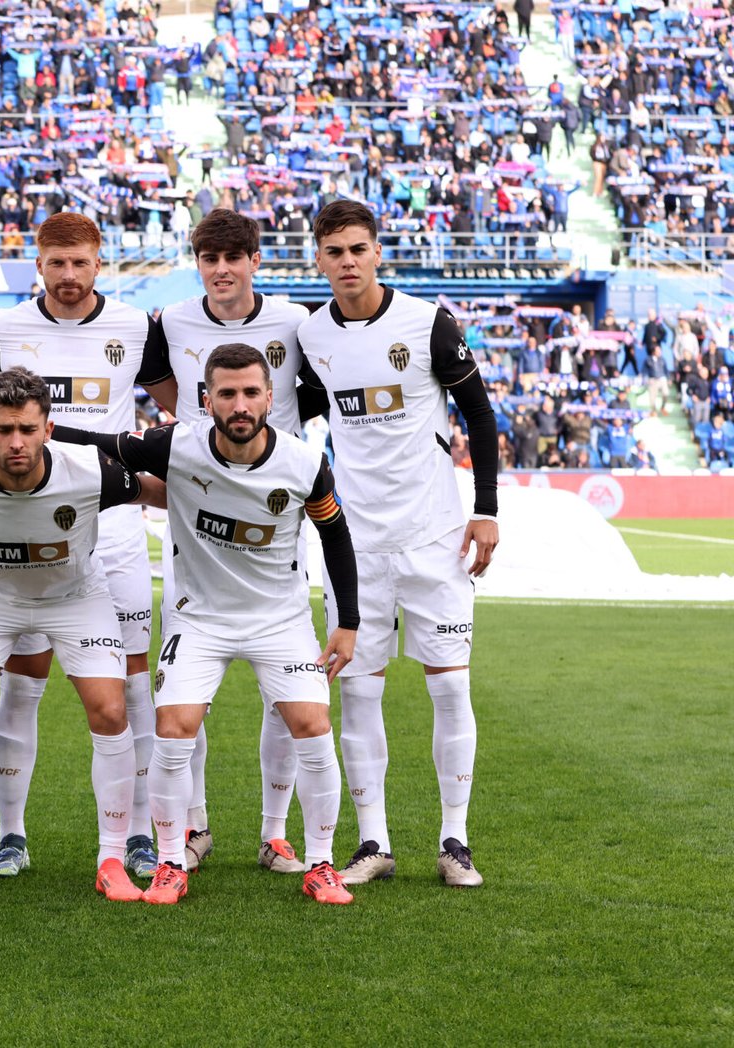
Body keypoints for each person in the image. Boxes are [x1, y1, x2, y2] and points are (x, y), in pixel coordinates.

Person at [49, 343, 361, 905]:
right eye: (226, 394)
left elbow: (335, 536)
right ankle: (171, 862)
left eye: (249, 393)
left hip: (279, 621)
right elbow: (99, 445)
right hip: (198, 620)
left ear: (269, 397)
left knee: (313, 725)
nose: (239, 405)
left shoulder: (305, 462)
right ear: (206, 400)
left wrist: (348, 622)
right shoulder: (176, 446)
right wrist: (27, 433)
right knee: (174, 731)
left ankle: (321, 863)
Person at [297, 199, 499, 888]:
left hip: (435, 537)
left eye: (358, 249)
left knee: (449, 690)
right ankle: (373, 843)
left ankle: (456, 841)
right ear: (318, 258)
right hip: (356, 546)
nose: (347, 262)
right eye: (334, 252)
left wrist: (487, 511)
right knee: (357, 696)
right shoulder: (313, 336)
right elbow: (293, 417)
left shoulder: (427, 323)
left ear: (377, 251)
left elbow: (479, 413)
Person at [0, 367, 165, 902]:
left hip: (76, 599)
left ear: (49, 428)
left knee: (112, 712)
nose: (16, 442)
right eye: (3, 430)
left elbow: (154, 491)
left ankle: (111, 859)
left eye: (27, 428)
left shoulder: (92, 472)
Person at [0, 211, 179, 881]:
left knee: (129, 685)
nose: (69, 275)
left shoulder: (133, 327)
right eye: (56, 263)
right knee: (23, 681)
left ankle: (141, 836)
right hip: (27, 531)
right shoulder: (3, 328)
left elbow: (180, 414)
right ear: (38, 263)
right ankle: (12, 835)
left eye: (81, 263)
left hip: (115, 528)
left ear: (101, 263)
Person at [145, 207, 324, 877]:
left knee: (286, 684)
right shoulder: (169, 321)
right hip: (197, 510)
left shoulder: (293, 323)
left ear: (255, 260)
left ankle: (275, 833)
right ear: (198, 263)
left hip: (274, 509)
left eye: (234, 256)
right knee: (183, 686)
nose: (222, 269)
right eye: (209, 257)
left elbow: (315, 393)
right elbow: (168, 396)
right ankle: (193, 826)